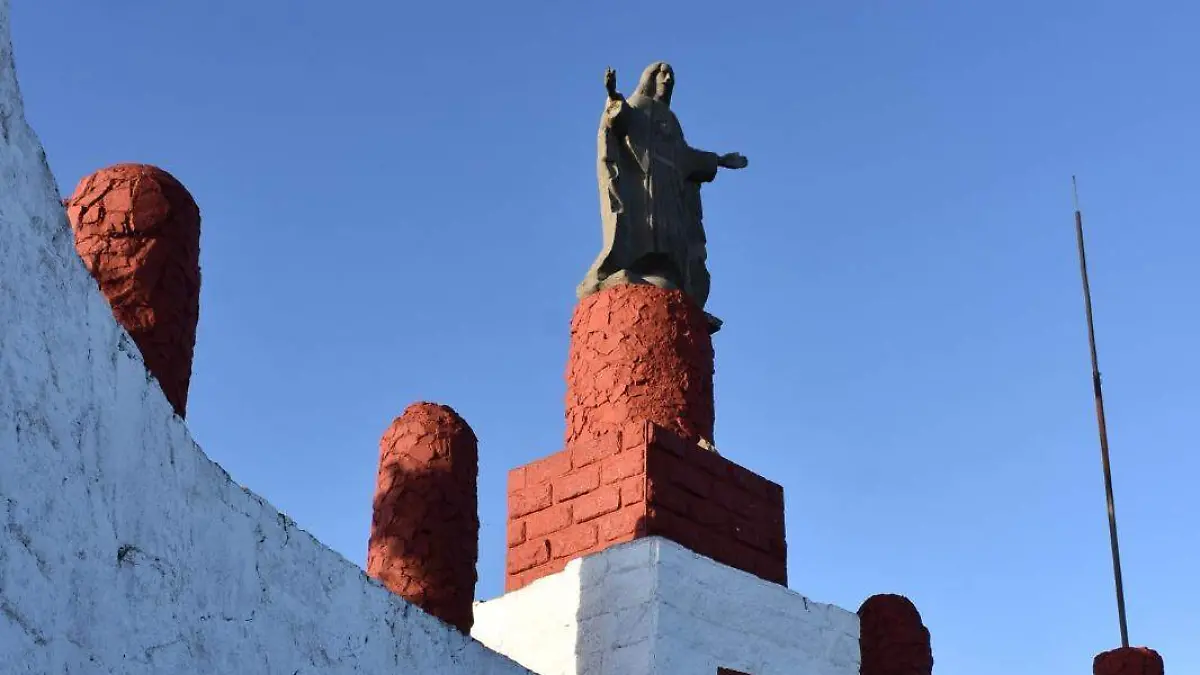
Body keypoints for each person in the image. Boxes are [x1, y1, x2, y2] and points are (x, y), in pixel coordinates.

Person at [577, 61, 748, 333]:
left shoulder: (672, 120)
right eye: (661, 73)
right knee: (644, 227)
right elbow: (618, 120)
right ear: (649, 78)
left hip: (670, 190)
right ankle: (636, 265)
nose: (667, 79)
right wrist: (611, 96)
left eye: (671, 75)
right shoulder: (637, 106)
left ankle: (666, 273)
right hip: (644, 187)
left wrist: (721, 160)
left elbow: (685, 155)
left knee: (671, 236)